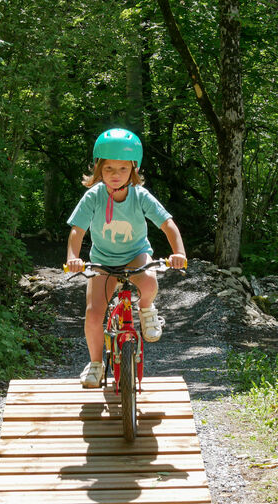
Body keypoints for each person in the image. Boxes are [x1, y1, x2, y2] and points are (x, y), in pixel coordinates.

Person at [65, 128, 187, 388]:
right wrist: (73, 257)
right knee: (93, 314)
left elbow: (167, 224)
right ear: (98, 168)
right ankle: (95, 364)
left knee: (149, 280)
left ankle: (146, 310)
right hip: (103, 261)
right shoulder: (94, 196)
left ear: (133, 168)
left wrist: (179, 253)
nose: (115, 174)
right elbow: (77, 230)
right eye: (108, 168)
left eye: (122, 168)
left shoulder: (140, 196)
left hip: (135, 255)